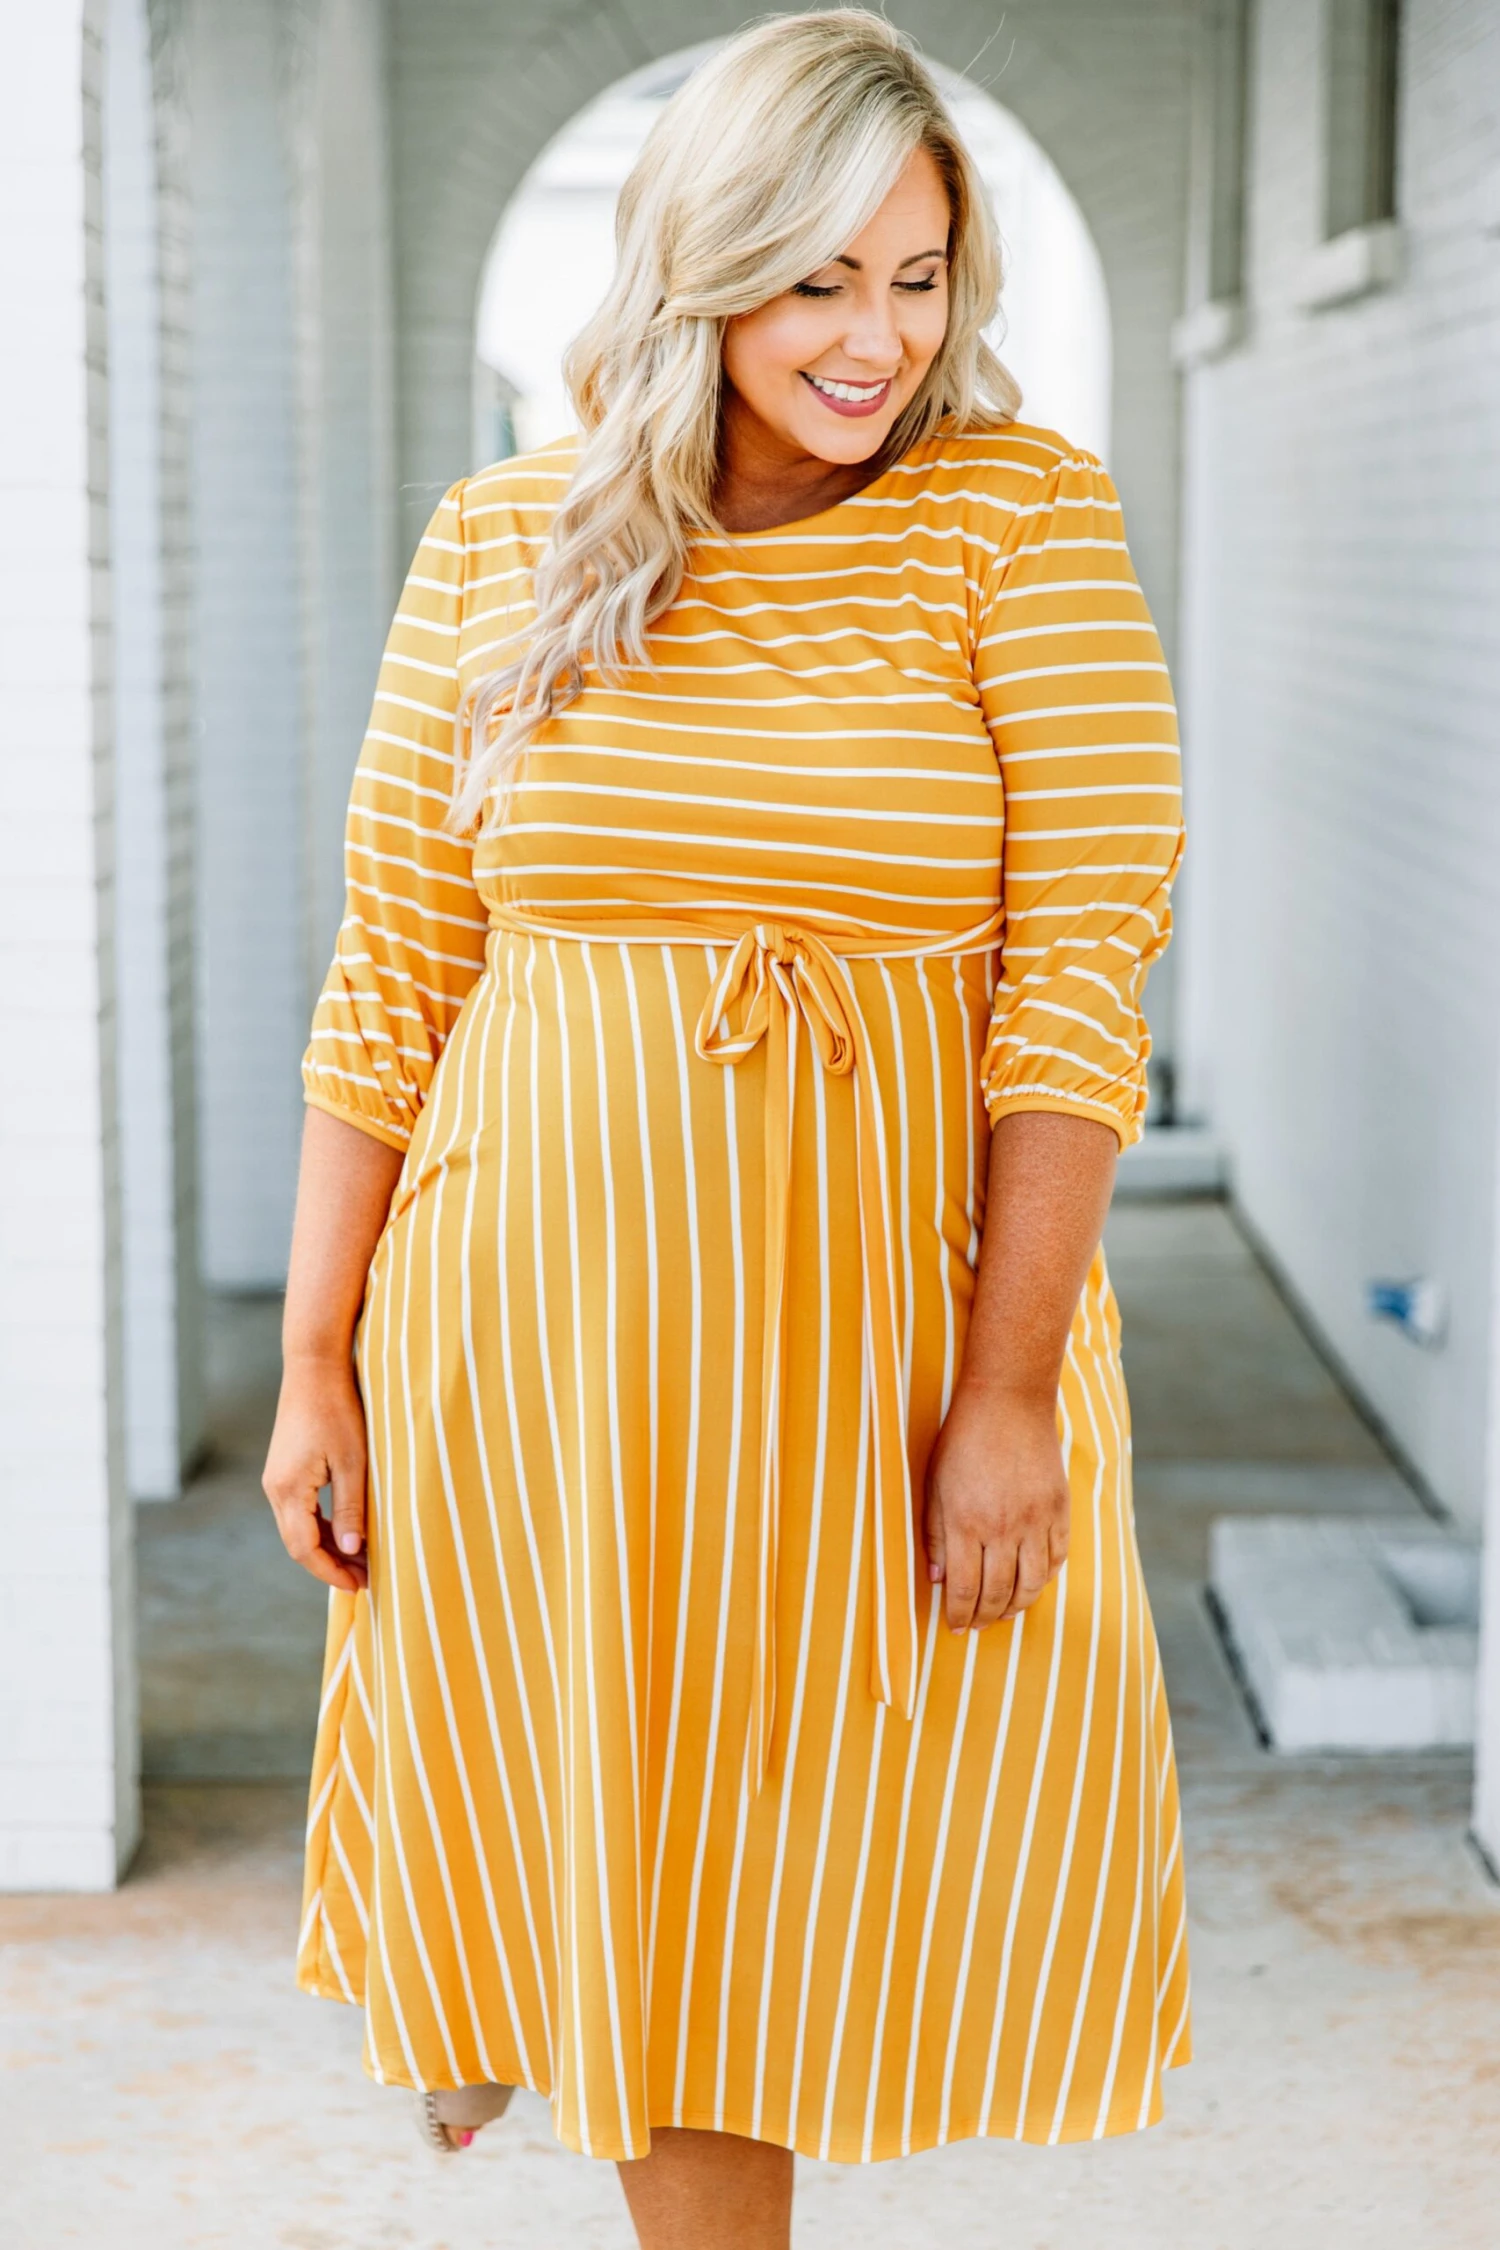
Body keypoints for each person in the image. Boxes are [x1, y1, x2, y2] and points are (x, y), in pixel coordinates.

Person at [262, 11, 1190, 2244]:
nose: (880, 338)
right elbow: (395, 966)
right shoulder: (506, 542)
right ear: (701, 270)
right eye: (816, 281)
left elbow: (1079, 975)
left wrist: (1004, 1386)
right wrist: (316, 1355)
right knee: (639, 1896)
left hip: (861, 1330)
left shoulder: (1014, 517)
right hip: (534, 1341)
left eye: (919, 274)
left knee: (789, 1887)